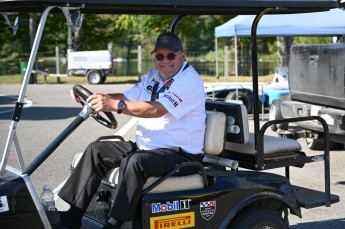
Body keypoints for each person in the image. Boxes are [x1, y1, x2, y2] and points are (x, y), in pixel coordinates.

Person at [58, 32, 206, 229]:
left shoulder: (189, 80)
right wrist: (96, 97)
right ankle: (70, 217)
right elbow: (127, 97)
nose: (165, 61)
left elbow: (155, 109)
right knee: (97, 150)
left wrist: (114, 105)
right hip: (148, 148)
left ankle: (116, 223)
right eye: (159, 56)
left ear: (182, 55)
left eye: (171, 55)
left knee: (134, 162)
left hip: (180, 155)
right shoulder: (153, 76)